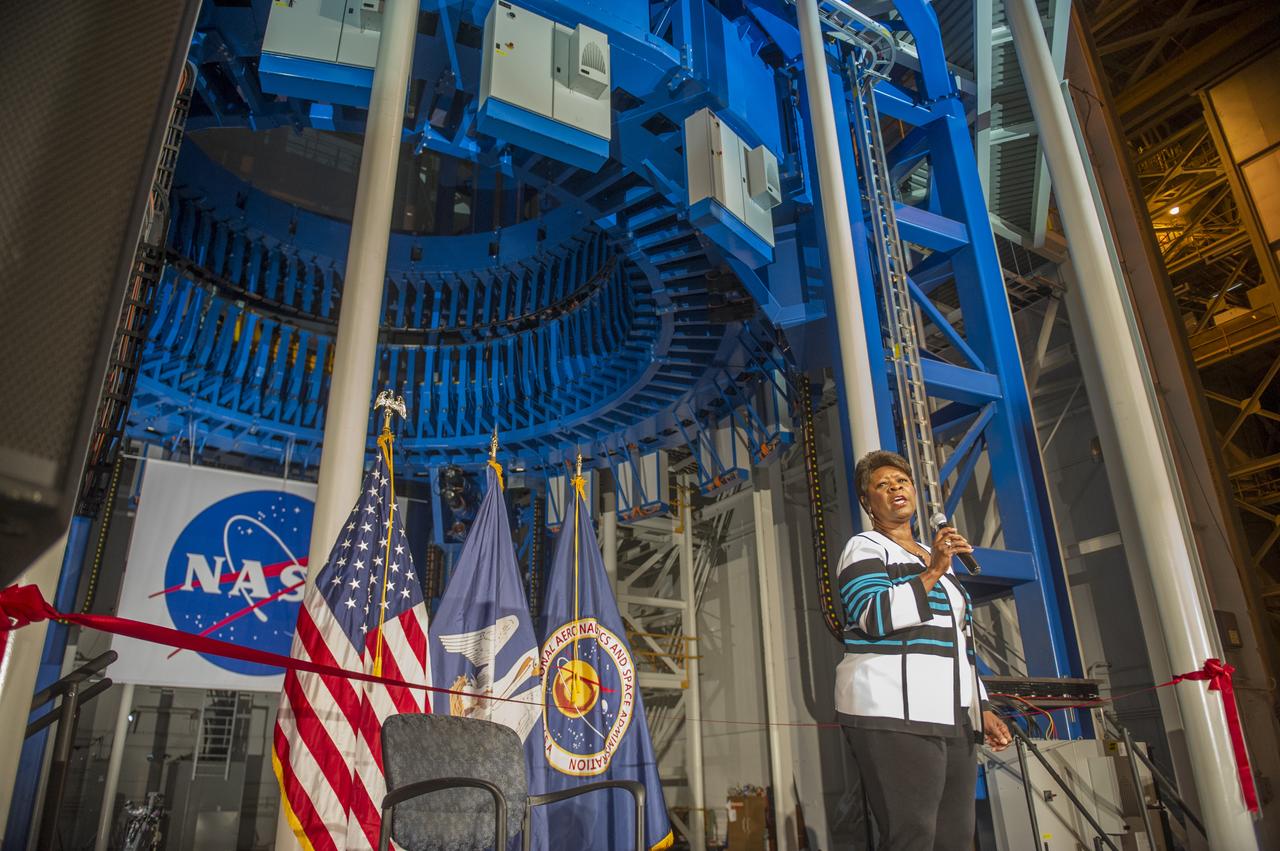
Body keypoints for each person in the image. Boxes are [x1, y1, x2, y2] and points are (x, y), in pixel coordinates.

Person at [836, 450, 1012, 851]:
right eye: (882, 485)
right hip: (891, 710)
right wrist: (932, 570)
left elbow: (959, 645)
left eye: (902, 481)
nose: (895, 488)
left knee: (955, 837)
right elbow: (873, 615)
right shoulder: (865, 547)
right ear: (868, 503)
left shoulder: (938, 562)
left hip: (950, 714)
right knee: (912, 837)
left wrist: (981, 707)